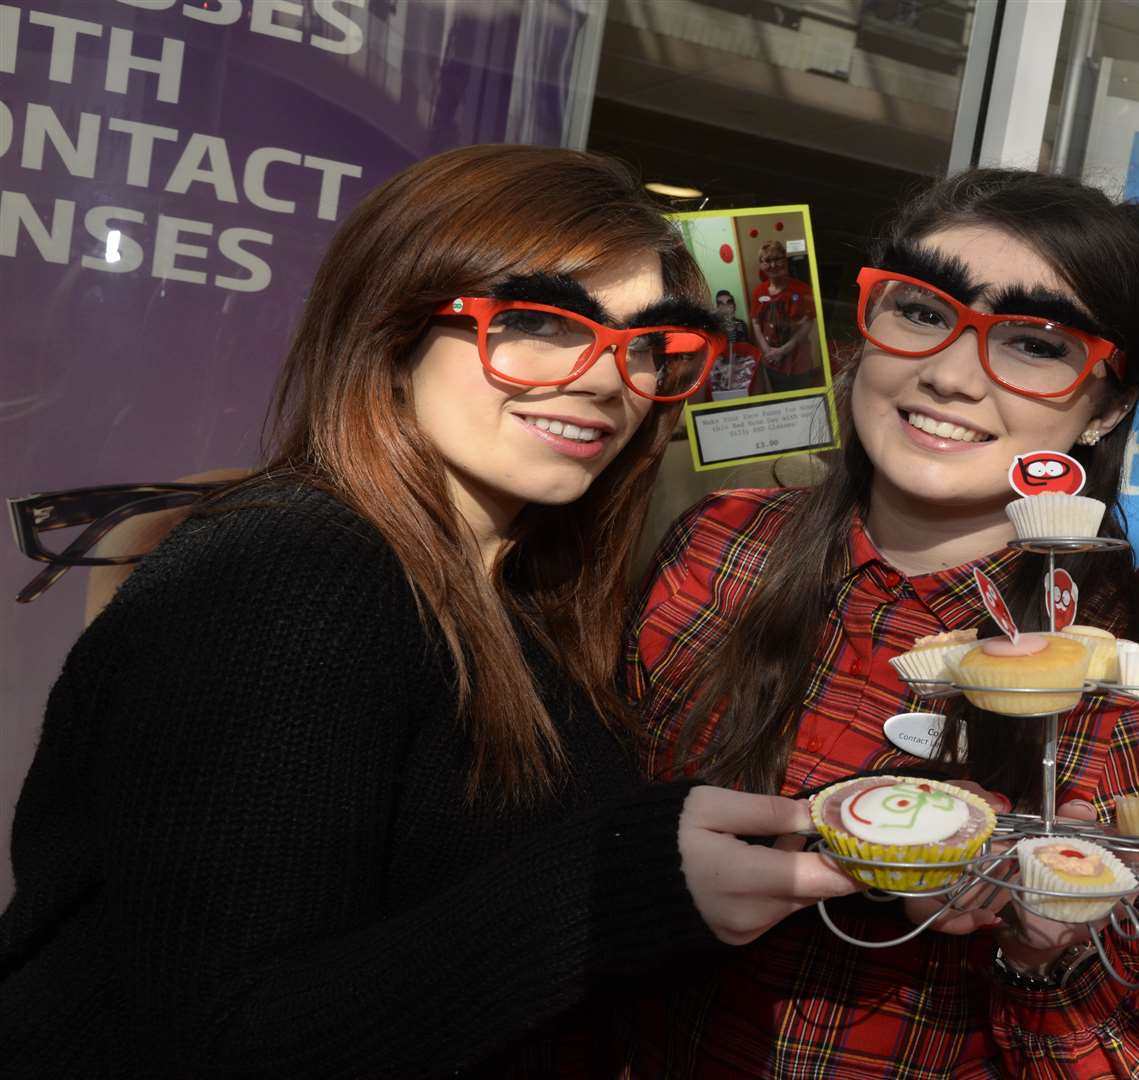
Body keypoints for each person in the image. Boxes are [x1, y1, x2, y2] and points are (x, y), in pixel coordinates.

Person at [0, 145, 859, 1077]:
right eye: (540, 322)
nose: (609, 380)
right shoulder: (289, 578)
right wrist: (620, 882)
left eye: (648, 346)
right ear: (393, 325)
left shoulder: (516, 591)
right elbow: (229, 1034)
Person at [626, 169, 1139, 1076]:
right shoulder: (718, 546)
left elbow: (1136, 1053)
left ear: (1111, 404)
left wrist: (1040, 954)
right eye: (924, 311)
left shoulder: (1128, 684)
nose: (948, 375)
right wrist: (646, 872)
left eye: (1032, 344)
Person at [750, 238, 821, 392]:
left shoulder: (803, 290)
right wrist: (767, 350)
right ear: (761, 265)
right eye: (767, 260)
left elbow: (808, 323)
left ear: (785, 260)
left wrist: (782, 351)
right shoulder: (758, 292)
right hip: (771, 363)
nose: (773, 265)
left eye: (777, 259)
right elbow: (755, 322)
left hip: (798, 364)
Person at [704, 288, 765, 401]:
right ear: (717, 307)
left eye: (728, 302)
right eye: (721, 304)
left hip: (740, 372)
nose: (725, 307)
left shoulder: (741, 325)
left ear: (734, 305)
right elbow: (712, 356)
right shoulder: (714, 329)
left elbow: (748, 352)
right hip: (721, 373)